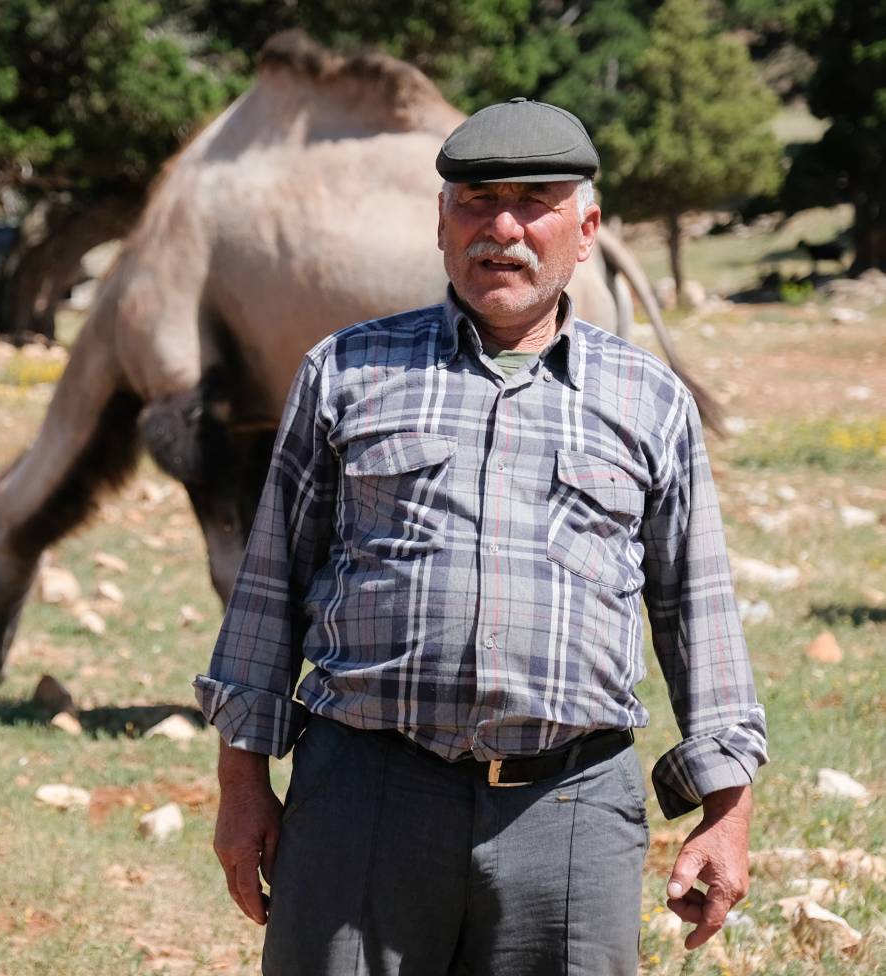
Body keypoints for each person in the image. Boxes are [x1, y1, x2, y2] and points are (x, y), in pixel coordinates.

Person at [194, 98, 767, 975]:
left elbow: (698, 611)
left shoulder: (650, 401)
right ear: (439, 222)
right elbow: (268, 587)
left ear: (587, 230)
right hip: (364, 801)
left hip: (569, 815)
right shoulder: (345, 372)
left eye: (534, 201)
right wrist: (241, 787)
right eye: (475, 200)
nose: (501, 228)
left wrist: (727, 812)